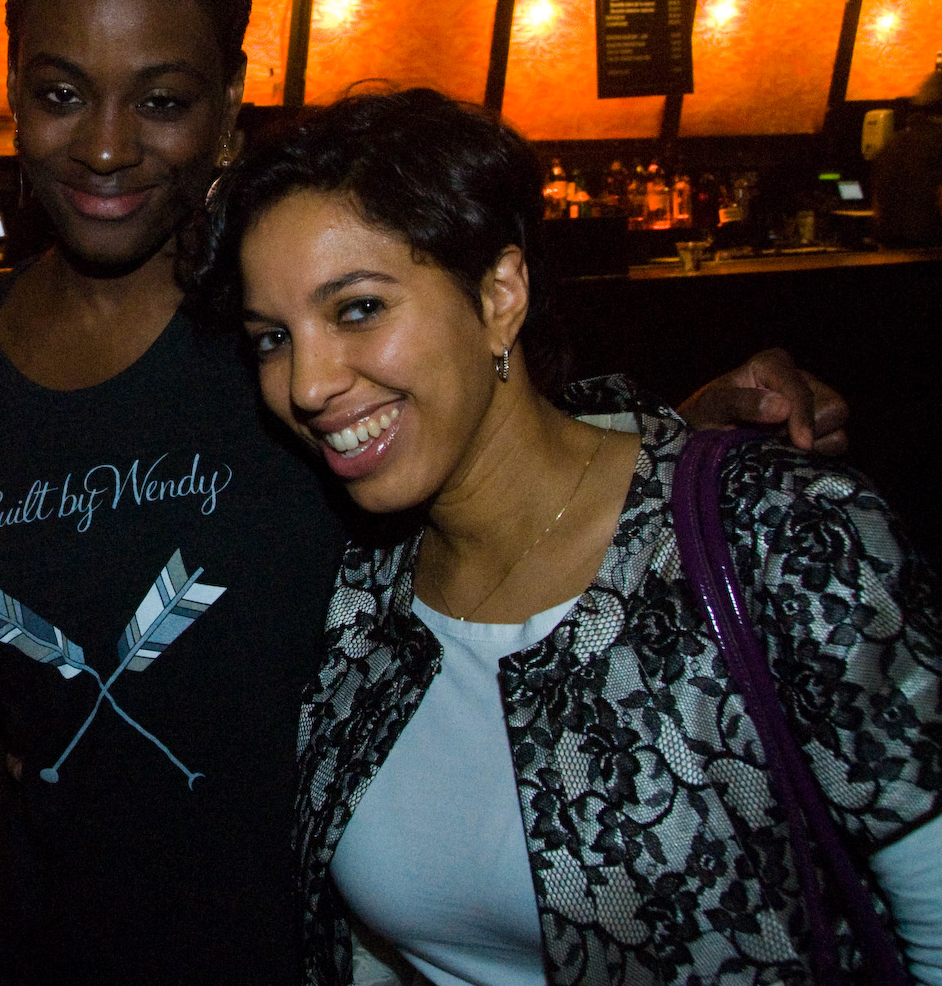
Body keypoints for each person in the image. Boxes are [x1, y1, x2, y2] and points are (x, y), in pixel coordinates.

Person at [0, 0, 854, 982]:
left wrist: (678, 443)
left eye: (161, 100)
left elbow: (498, 459)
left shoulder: (283, 334)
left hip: (318, 951)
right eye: (60, 93)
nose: (105, 146)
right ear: (12, 88)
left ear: (226, 105)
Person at [203, 87, 942, 986]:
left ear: (498, 293)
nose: (308, 383)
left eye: (357, 307)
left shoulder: (779, 537)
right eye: (273, 337)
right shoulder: (352, 588)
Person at [873, 70, 942, 247]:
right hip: (932, 253)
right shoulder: (937, 142)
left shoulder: (894, 142)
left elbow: (879, 207)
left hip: (893, 253)